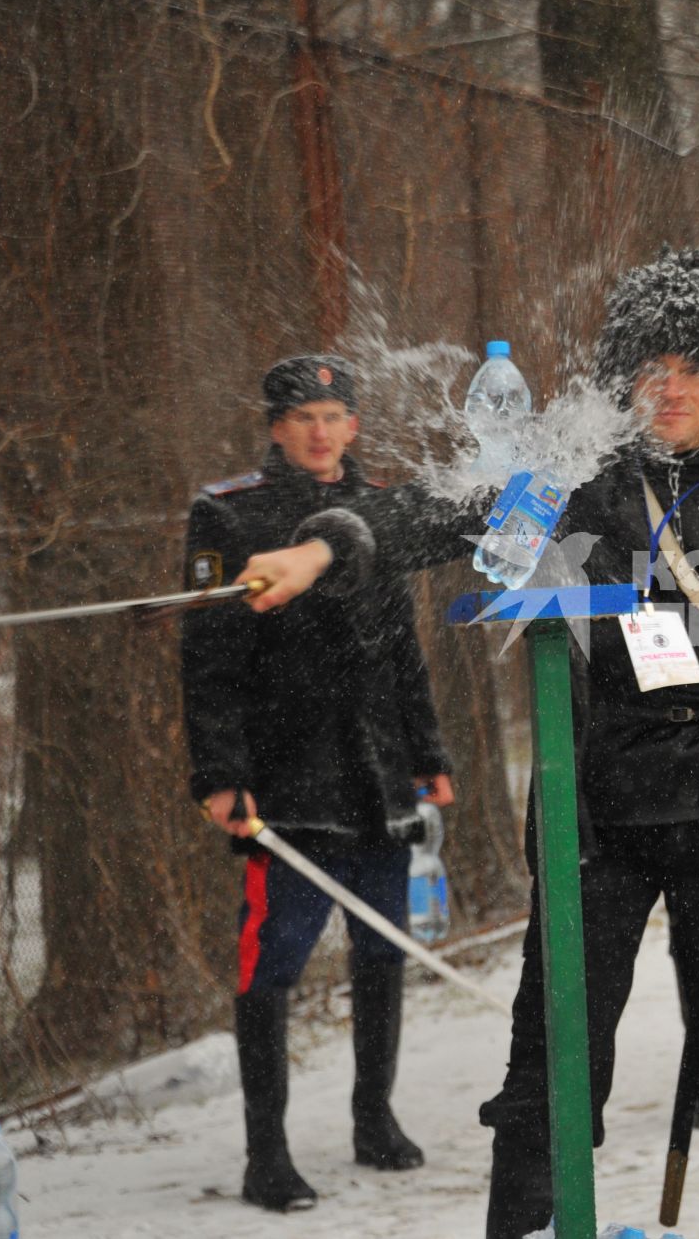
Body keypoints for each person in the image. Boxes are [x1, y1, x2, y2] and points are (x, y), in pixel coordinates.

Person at [235, 247, 699, 1239]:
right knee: (550, 1064)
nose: (667, 385)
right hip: (600, 802)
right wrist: (321, 544)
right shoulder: (576, 471)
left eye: (692, 364)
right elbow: (431, 510)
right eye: (649, 365)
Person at [181, 354, 450, 1212]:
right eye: (303, 416)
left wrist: (428, 754)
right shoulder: (229, 513)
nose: (320, 431)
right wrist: (221, 774)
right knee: (272, 966)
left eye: (335, 414)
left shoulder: (379, 511)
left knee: (380, 952)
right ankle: (268, 1155)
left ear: (354, 425)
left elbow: (403, 646)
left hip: (378, 779)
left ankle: (375, 1118)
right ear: (274, 427)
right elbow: (208, 656)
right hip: (289, 783)